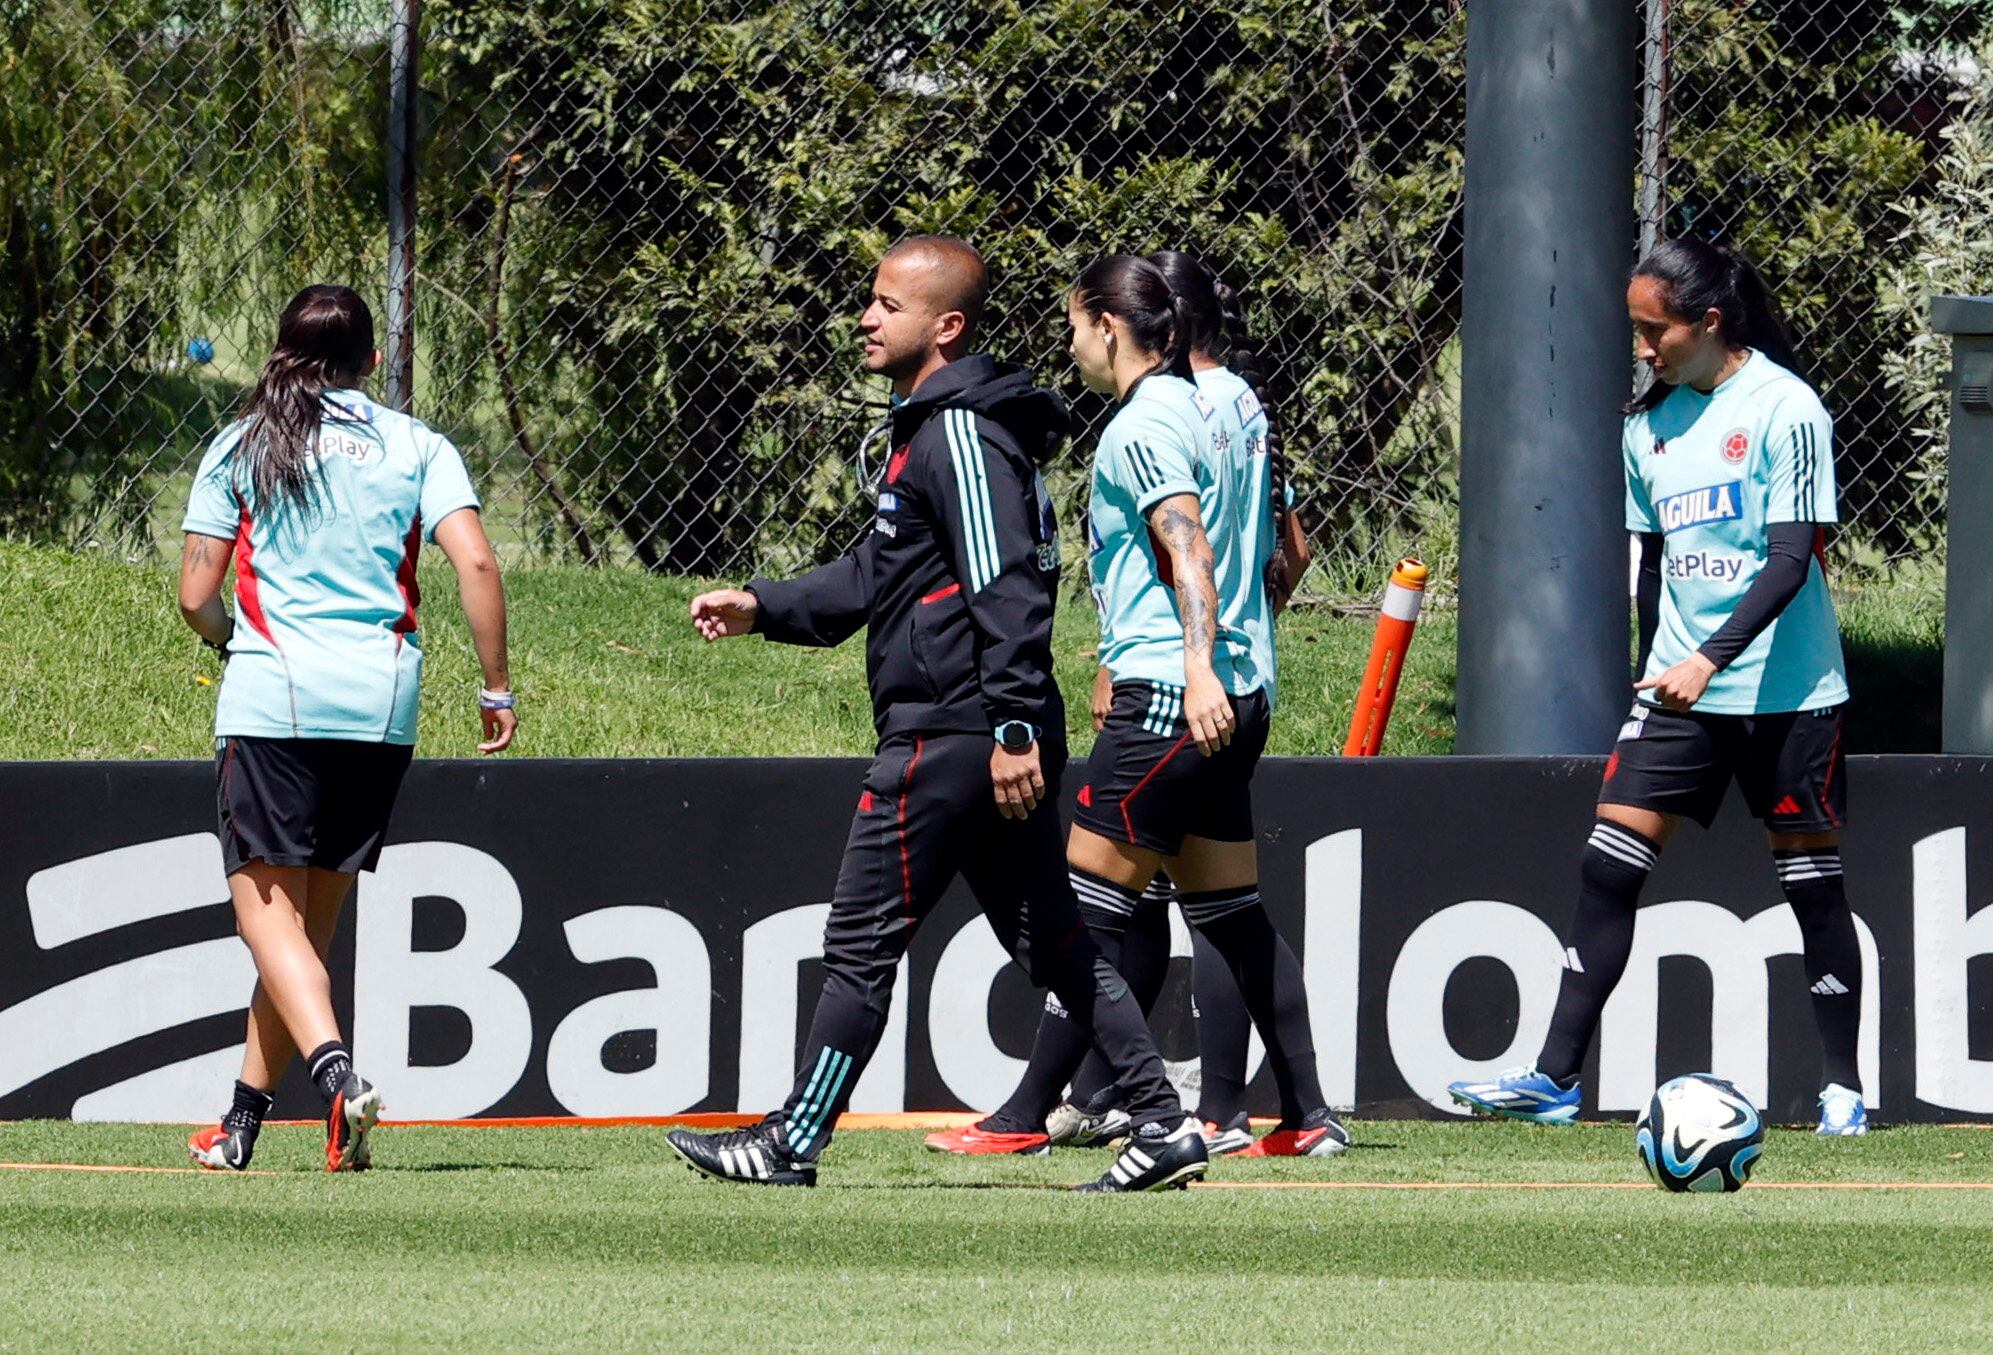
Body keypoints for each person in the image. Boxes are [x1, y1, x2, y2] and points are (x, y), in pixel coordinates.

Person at [666, 237, 1208, 1192]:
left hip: (956, 733)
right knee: (1054, 939)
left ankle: (793, 1139)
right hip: (979, 727)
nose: (867, 319)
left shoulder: (956, 431)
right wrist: (764, 605)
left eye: (886, 304)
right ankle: (1162, 1122)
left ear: (944, 326)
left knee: (861, 941)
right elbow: (880, 575)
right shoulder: (936, 429)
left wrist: (1004, 730)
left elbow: (1006, 587)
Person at [927, 254, 1348, 1161]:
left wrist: (1190, 665)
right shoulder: (1222, 404)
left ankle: (1032, 1113)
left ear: (1108, 329)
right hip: (1238, 693)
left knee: (1082, 908)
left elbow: (1186, 545)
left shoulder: (1141, 426)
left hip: (1173, 696)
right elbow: (1279, 542)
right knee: (1229, 909)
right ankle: (1308, 1113)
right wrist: (1227, 659)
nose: (1068, 342)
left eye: (1074, 324)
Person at [1448, 238, 1867, 1135]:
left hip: (1786, 694)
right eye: (1635, 330)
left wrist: (1707, 657)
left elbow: (1790, 561)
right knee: (1607, 866)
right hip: (1677, 692)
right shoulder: (1648, 428)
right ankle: (1553, 1078)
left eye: (1654, 329)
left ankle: (1842, 1088)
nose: (1642, 347)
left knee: (1812, 888)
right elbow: (1656, 566)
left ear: (1708, 322)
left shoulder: (1784, 409)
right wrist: (1655, 664)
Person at [179, 284, 516, 1173]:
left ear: (281, 350)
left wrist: (229, 643)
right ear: (373, 360)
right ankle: (243, 1123)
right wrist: (497, 688)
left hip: (274, 700)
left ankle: (338, 1077)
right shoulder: (416, 443)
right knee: (305, 937)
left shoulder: (243, 441)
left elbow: (196, 596)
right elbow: (475, 558)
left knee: (268, 924)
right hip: (381, 708)